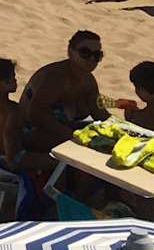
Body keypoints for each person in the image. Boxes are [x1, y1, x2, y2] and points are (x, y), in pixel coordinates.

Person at [18, 30, 109, 158]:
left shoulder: (88, 80)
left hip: (59, 129)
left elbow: (99, 113)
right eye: (85, 53)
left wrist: (123, 128)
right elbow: (36, 114)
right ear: (70, 52)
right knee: (89, 148)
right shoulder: (56, 77)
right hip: (29, 133)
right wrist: (71, 136)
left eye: (97, 55)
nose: (92, 59)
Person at [117, 61, 154, 135]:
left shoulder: (148, 115)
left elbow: (133, 127)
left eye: (137, 88)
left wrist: (128, 111)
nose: (136, 91)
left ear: (144, 89)